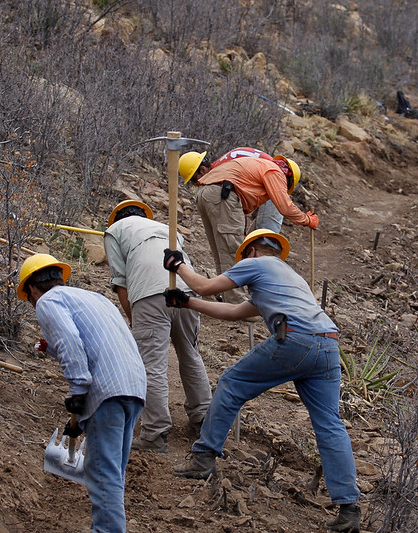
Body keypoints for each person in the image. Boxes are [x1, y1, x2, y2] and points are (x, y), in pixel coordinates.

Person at [161, 230, 361, 533]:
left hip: (297, 340)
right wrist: (188, 303)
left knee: (230, 382)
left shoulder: (257, 264)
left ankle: (203, 458)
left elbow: (205, 285)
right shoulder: (288, 278)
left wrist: (178, 266)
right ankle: (348, 509)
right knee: (329, 425)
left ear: (252, 251)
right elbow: (233, 312)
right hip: (328, 346)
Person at [17, 253, 147, 533]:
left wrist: (77, 391)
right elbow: (93, 341)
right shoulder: (93, 298)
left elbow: (69, 342)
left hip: (106, 393)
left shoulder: (47, 302)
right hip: (133, 387)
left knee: (103, 478)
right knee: (113, 475)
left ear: (31, 289)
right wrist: (49, 349)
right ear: (59, 277)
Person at [104, 200, 212, 452]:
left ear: (117, 218)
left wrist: (135, 321)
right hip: (185, 291)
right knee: (190, 354)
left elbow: (121, 283)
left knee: (152, 365)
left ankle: (155, 433)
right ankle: (203, 418)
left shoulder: (115, 231)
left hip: (148, 295)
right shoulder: (166, 228)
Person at [178, 151, 318, 304]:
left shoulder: (258, 165)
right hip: (222, 195)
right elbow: (284, 207)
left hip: (206, 194)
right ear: (289, 178)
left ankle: (225, 295)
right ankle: (236, 304)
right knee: (232, 250)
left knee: (221, 250)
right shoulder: (275, 171)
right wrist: (306, 220)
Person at [180, 147, 285, 233]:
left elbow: (236, 208)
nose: (195, 184)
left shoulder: (222, 175)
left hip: (274, 182)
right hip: (269, 178)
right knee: (255, 237)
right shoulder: (222, 166)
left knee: (266, 236)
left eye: (194, 180)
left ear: (202, 170)